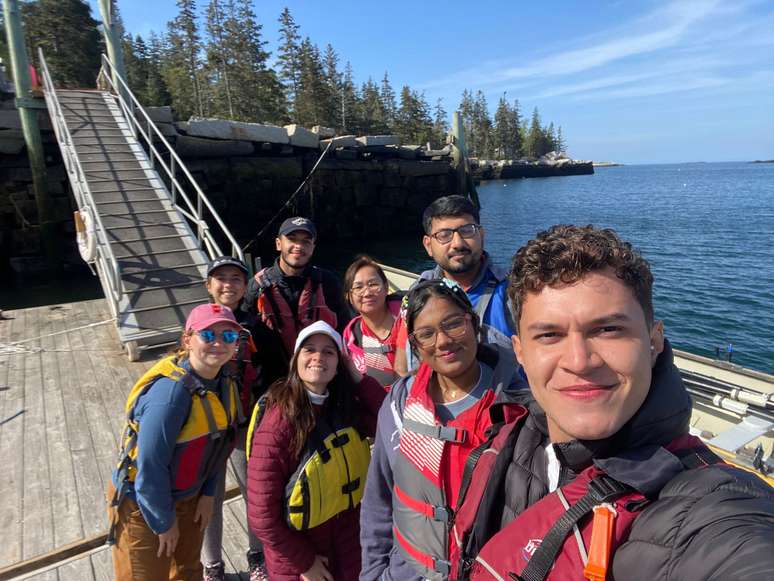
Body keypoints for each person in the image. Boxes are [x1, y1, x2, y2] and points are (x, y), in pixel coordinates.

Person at [466, 225, 774, 580]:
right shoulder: (510, 436)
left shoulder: (715, 509)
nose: (579, 361)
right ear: (520, 352)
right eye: (550, 335)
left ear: (654, 340)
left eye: (608, 329)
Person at [359, 279, 528, 581]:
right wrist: (373, 573)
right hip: (407, 572)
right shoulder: (398, 406)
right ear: (414, 345)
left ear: (474, 324)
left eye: (453, 324)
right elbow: (378, 499)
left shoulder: (516, 406)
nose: (443, 341)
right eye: (426, 334)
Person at [107, 303, 244, 581]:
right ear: (187, 340)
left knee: (188, 572)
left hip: (190, 497)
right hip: (144, 504)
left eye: (228, 336)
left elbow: (220, 445)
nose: (218, 343)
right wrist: (163, 522)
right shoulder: (170, 396)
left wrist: (207, 493)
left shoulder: (225, 381)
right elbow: (150, 466)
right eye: (208, 335)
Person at [246, 321, 386, 581]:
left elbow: (387, 421)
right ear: (295, 361)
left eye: (329, 352)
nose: (318, 357)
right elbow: (261, 514)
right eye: (309, 349)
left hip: (347, 547)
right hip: (301, 560)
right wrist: (305, 562)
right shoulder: (280, 421)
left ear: (339, 365)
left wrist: (356, 377)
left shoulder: (343, 408)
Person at [200, 256, 278, 581]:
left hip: (247, 428)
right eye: (221, 278)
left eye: (236, 278)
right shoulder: (197, 323)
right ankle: (212, 565)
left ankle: (257, 556)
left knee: (254, 494)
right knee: (209, 496)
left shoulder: (257, 326)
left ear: (245, 286)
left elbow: (276, 371)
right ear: (209, 285)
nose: (228, 285)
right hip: (208, 429)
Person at [245, 216, 351, 361]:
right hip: (273, 376)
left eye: (306, 242)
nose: (298, 246)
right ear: (278, 244)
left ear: (313, 247)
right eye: (292, 239)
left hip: (319, 370)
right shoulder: (257, 287)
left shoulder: (328, 283)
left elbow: (346, 330)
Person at [419, 195, 513, 342]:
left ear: (481, 235)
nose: (457, 243)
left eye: (467, 231)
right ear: (428, 245)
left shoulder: (512, 291)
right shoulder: (419, 291)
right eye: (444, 235)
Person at [342, 255, 407, 388]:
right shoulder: (353, 336)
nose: (367, 293)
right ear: (349, 296)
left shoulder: (409, 316)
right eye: (358, 287)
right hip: (381, 403)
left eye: (373, 284)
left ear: (386, 287)